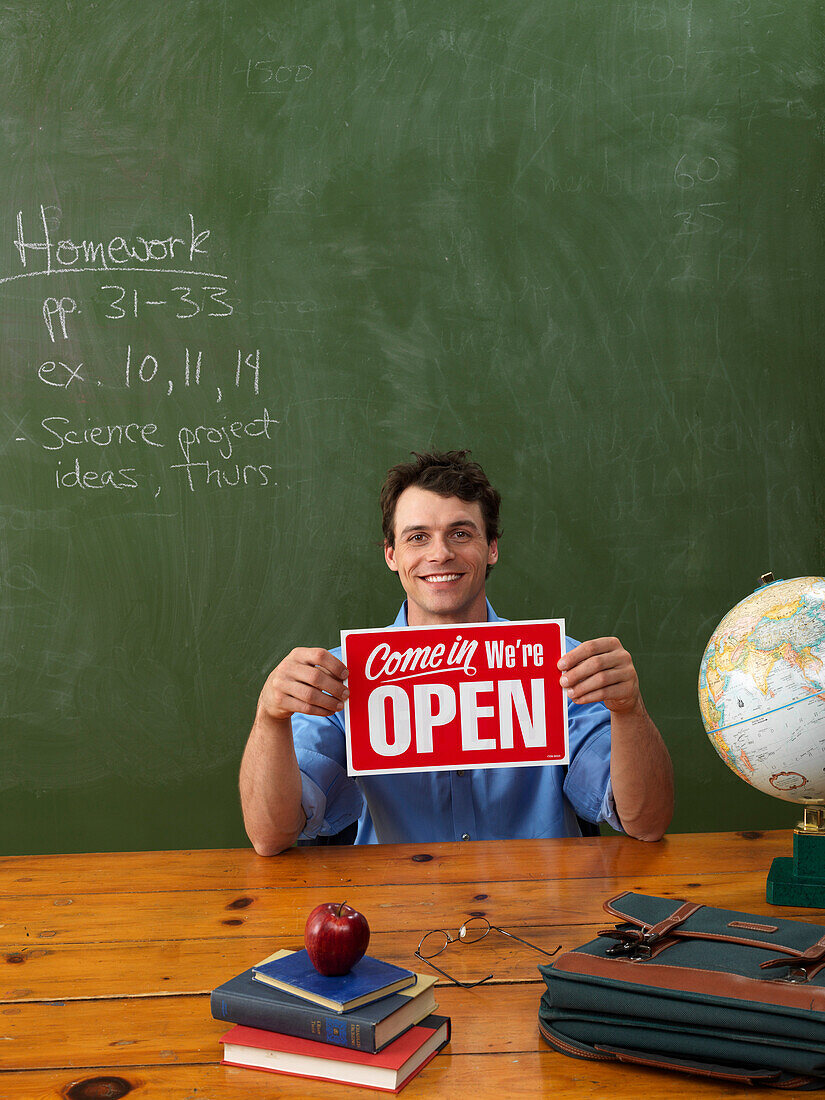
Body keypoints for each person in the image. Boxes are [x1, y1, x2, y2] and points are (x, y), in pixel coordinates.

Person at [240, 451, 674, 855]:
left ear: (492, 548)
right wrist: (269, 719)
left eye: (460, 533)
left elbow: (646, 822)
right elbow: (271, 835)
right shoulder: (341, 677)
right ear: (392, 555)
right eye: (417, 537)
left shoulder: (561, 665)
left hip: (544, 910)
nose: (440, 553)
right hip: (396, 913)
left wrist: (629, 711)